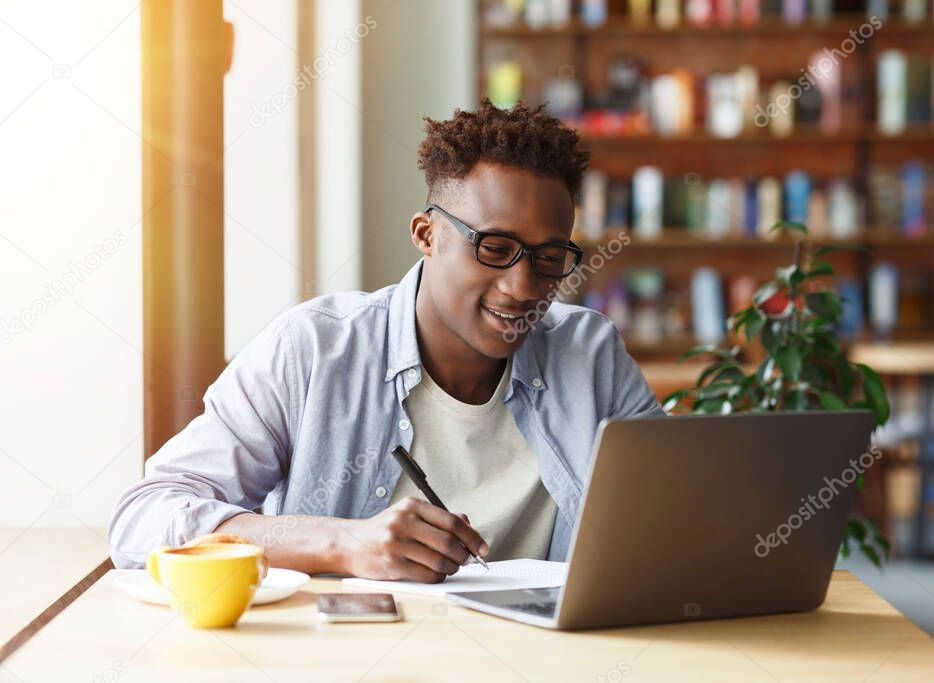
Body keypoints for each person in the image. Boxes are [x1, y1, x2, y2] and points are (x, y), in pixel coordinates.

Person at [108, 99, 665, 581]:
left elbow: (673, 518)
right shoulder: (315, 349)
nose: (523, 288)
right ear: (427, 234)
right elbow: (143, 519)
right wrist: (342, 544)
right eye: (494, 248)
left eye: (549, 258)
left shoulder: (590, 355)